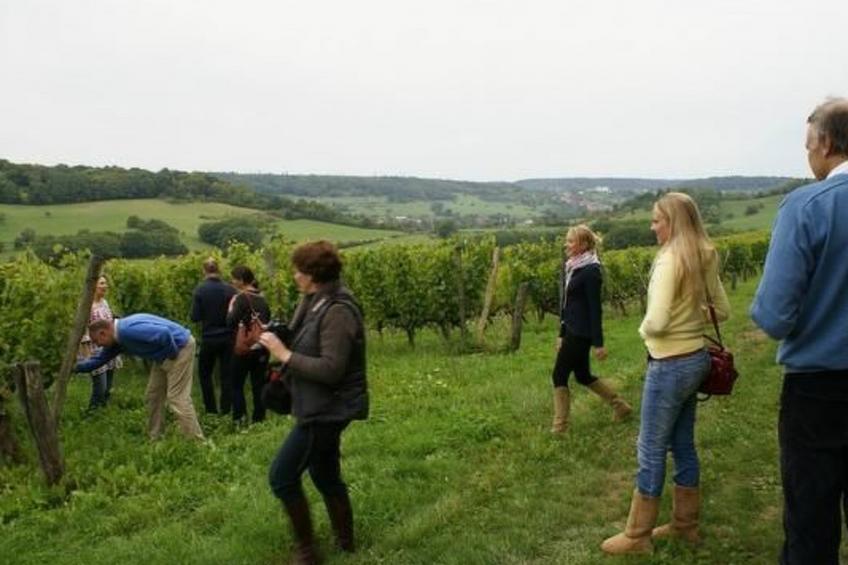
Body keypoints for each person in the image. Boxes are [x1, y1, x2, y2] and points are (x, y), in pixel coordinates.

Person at [601, 192, 730, 555]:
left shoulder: (669, 260)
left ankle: (638, 535)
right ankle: (685, 526)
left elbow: (655, 322)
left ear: (672, 222)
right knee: (683, 443)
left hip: (669, 365)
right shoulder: (705, 253)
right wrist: (691, 319)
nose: (652, 226)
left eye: (657, 220)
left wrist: (645, 332)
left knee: (651, 447)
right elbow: (722, 310)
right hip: (696, 359)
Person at [750, 98, 848, 565]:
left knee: (811, 524)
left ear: (826, 143)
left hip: (819, 394)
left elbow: (774, 318)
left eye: (809, 145)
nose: (808, 155)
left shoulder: (806, 207)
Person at [259, 240, 368, 565]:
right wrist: (279, 339)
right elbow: (304, 340)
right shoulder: (314, 300)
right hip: (318, 403)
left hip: (328, 408)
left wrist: (284, 355)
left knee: (282, 476)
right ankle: (346, 543)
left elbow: (332, 369)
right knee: (325, 474)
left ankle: (308, 552)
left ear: (313, 274)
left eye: (299, 270)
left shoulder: (337, 310)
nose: (294, 276)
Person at [550, 224, 632, 434]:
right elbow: (567, 304)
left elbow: (595, 309)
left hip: (581, 333)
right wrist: (561, 333)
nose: (566, 245)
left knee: (559, 375)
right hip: (571, 330)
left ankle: (560, 428)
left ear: (584, 244)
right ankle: (620, 406)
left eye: (570, 241)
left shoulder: (591, 271)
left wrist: (599, 343)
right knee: (582, 375)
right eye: (567, 240)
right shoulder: (573, 267)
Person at [75, 313, 205, 441]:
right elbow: (98, 360)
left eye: (97, 341)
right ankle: (155, 437)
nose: (98, 345)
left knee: (177, 397)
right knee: (153, 395)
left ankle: (197, 441)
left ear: (103, 333)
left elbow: (164, 334)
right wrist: (73, 368)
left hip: (180, 347)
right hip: (163, 354)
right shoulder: (117, 340)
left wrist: (171, 356)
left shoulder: (127, 331)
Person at [191, 258, 237, 415]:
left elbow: (195, 317)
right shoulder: (231, 290)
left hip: (209, 338)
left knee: (204, 374)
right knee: (227, 375)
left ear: (204, 271)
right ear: (219, 270)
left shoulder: (200, 290)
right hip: (228, 339)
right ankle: (226, 410)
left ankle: (211, 409)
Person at [227, 265, 271, 426]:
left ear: (241, 280)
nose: (231, 281)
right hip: (261, 348)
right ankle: (259, 419)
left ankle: (240, 419)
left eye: (233, 278)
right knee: (258, 384)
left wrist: (231, 308)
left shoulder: (240, 299)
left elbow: (230, 322)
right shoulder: (263, 299)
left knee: (236, 384)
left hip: (243, 349)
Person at [79, 275, 123, 410]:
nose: (105, 286)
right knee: (100, 387)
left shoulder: (105, 302)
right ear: (93, 286)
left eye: (106, 283)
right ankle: (92, 413)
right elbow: (82, 331)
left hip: (109, 347)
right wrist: (86, 353)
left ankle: (102, 411)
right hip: (95, 349)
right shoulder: (86, 306)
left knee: (108, 386)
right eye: (102, 283)